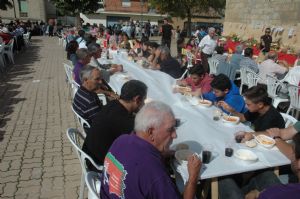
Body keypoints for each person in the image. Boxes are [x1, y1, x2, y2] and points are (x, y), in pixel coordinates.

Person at [100, 101, 201, 199]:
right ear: (150, 132)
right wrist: (193, 177)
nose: (175, 135)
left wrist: (161, 154)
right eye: (170, 129)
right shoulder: (154, 172)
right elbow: (147, 172)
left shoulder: (121, 140)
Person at [82, 80, 147, 171]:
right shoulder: (124, 120)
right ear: (137, 99)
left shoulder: (113, 104)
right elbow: (145, 140)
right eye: (143, 100)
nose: (143, 104)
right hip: (99, 165)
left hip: (90, 155)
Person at [218, 85, 285, 131]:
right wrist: (232, 110)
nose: (246, 106)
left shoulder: (271, 117)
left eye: (248, 104)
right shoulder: (257, 109)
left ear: (260, 104)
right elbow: (243, 118)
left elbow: (262, 135)